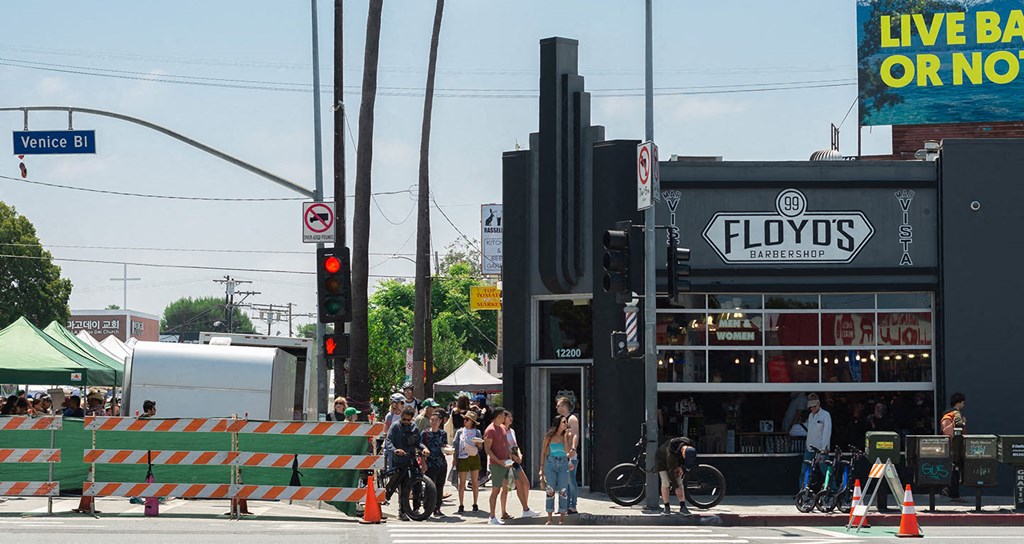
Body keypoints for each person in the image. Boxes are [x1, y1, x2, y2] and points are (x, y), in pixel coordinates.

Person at [386, 406, 429, 521]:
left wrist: (424, 449)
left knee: (417, 484)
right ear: (401, 417)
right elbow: (388, 441)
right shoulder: (395, 426)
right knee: (403, 487)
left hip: (411, 458)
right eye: (404, 419)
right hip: (399, 460)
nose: (406, 422)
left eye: (408, 420)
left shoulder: (413, 427)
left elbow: (418, 442)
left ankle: (415, 509)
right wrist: (395, 450)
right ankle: (402, 511)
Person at [501, 411, 540, 520]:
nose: (511, 418)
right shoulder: (501, 430)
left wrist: (519, 454)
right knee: (506, 488)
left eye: (511, 416)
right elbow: (504, 446)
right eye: (508, 416)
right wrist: (513, 457)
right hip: (507, 461)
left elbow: (515, 445)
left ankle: (525, 508)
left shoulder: (511, 431)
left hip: (515, 460)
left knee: (525, 483)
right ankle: (505, 511)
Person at [538, 415, 572, 525]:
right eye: (563, 422)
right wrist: (541, 468)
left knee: (563, 489)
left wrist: (566, 437)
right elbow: (543, 452)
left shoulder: (567, 435)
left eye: (566, 421)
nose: (566, 423)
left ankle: (562, 517)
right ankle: (549, 517)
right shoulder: (549, 436)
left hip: (563, 462)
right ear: (558, 423)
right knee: (550, 489)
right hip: (551, 462)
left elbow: (567, 452)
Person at [484, 407, 512, 525]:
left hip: (506, 463)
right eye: (503, 416)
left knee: (505, 488)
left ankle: (503, 512)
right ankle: (492, 516)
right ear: (498, 416)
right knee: (495, 490)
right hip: (496, 464)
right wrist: (499, 461)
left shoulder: (503, 428)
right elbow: (487, 450)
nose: (505, 418)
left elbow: (506, 444)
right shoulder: (490, 430)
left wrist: (510, 458)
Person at [655, 435, 697, 514]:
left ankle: (683, 506)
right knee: (666, 481)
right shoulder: (671, 450)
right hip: (662, 460)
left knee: (679, 481)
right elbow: (671, 471)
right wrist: (676, 486)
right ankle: (666, 507)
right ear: (683, 453)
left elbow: (685, 460)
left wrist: (681, 467)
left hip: (675, 460)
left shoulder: (691, 444)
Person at [452, 408, 482, 514]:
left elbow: (480, 446)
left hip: (474, 456)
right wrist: (454, 459)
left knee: (475, 482)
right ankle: (461, 504)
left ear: (472, 422)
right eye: (465, 419)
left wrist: (479, 444)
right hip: (462, 457)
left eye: (467, 419)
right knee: (462, 483)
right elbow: (455, 445)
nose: (465, 421)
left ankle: (475, 503)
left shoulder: (477, 432)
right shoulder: (460, 432)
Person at [555, 396, 581, 514]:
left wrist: (573, 448)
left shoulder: (572, 419)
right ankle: (564, 505)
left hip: (570, 454)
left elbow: (575, 434)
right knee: (563, 481)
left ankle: (573, 505)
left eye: (559, 405)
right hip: (561, 453)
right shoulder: (561, 419)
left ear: (565, 406)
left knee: (571, 480)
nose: (557, 407)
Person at [421, 409, 449, 517]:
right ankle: (427, 507)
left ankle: (437, 507)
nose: (434, 422)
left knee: (439, 486)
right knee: (429, 487)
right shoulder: (425, 433)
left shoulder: (443, 434)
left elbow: (444, 445)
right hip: (430, 464)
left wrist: (447, 449)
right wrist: (423, 462)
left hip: (441, 463)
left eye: (436, 420)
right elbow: (421, 448)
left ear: (440, 421)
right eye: (432, 420)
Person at [940, 392, 967, 501]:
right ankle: (953, 493)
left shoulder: (951, 415)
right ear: (958, 403)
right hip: (953, 448)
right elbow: (947, 432)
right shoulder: (950, 416)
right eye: (963, 403)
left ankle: (950, 490)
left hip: (956, 448)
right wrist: (962, 424)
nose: (964, 405)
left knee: (956, 470)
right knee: (955, 470)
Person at [804, 393, 832, 482]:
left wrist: (824, 448)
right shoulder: (810, 416)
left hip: (820, 450)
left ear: (818, 404)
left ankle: (832, 489)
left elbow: (827, 432)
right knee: (805, 471)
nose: (812, 409)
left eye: (814, 406)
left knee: (826, 471)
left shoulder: (825, 415)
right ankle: (803, 491)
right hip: (809, 448)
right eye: (810, 407)